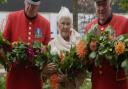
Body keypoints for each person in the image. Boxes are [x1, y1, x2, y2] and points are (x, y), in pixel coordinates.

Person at [2, 0, 56, 89]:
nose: (30, 8)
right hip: (14, 78)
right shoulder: (12, 18)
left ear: (38, 5)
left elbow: (48, 52)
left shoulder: (45, 23)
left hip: (34, 80)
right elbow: (3, 44)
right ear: (24, 2)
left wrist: (44, 66)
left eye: (33, 6)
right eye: (28, 4)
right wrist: (6, 58)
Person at [84, 0, 128, 89]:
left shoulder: (124, 23)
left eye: (104, 4)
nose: (101, 8)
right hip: (98, 84)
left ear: (110, 3)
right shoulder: (89, 27)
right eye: (98, 4)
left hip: (118, 85)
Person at [49, 7, 86, 89]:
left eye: (68, 23)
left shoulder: (79, 43)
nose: (65, 27)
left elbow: (83, 71)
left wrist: (68, 78)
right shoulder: (52, 44)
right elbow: (47, 73)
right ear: (58, 25)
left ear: (71, 25)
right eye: (63, 23)